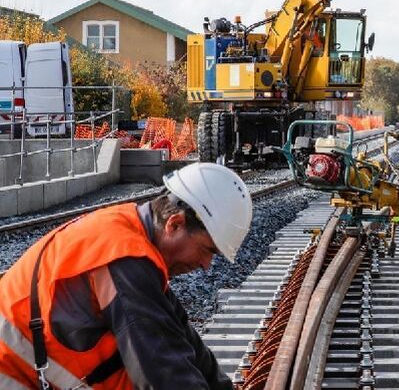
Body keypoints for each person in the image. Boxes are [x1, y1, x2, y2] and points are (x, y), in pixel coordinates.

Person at [0, 162, 253, 389]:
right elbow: (163, 369)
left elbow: (179, 336)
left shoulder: (134, 239)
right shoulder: (123, 257)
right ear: (174, 224)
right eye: (207, 250)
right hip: (11, 370)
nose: (206, 265)